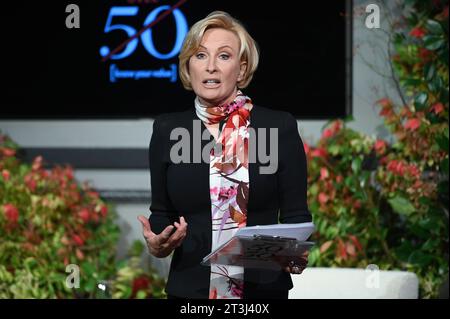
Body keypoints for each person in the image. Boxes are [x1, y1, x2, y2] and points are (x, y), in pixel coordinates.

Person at [138, 11, 312, 299]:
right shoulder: (168, 129)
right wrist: (159, 243)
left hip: (262, 293)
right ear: (188, 67)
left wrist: (292, 256)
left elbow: (297, 218)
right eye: (200, 56)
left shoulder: (278, 126)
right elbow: (162, 214)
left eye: (223, 56)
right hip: (189, 293)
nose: (210, 67)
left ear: (241, 70)